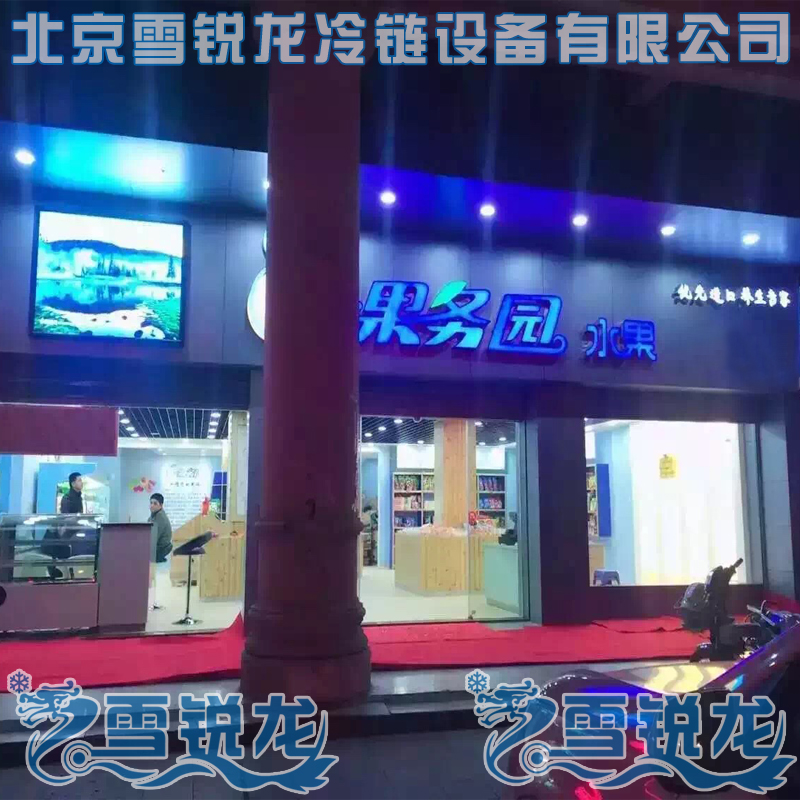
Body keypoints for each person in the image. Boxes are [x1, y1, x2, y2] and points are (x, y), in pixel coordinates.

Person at [149, 493, 173, 610]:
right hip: (155, 549)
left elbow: (153, 537)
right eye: (151, 503)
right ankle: (151, 600)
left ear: (161, 505)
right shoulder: (154, 516)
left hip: (159, 550)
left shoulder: (160, 518)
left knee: (152, 576)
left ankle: (152, 601)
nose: (152, 505)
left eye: (155, 503)